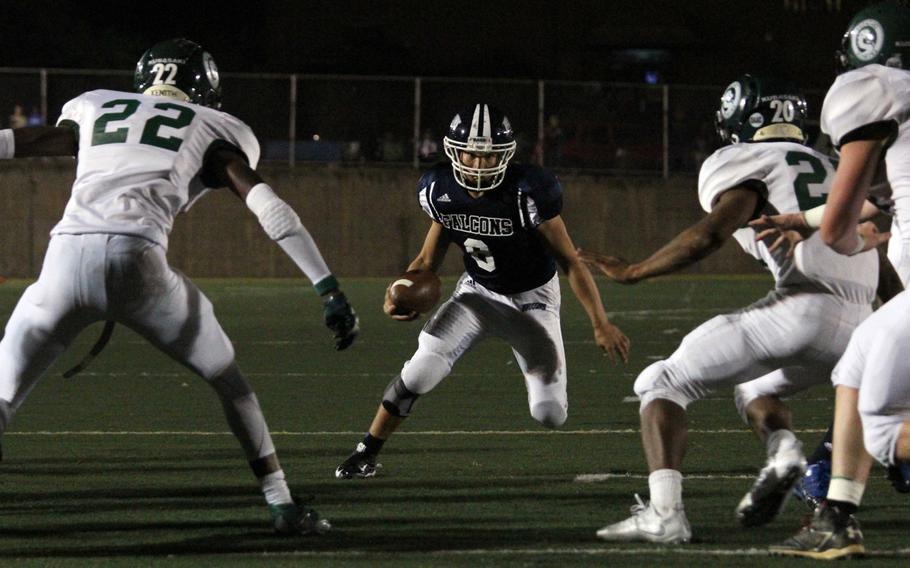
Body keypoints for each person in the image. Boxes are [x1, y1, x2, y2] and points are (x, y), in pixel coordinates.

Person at [0, 38, 359, 535]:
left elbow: (25, 142)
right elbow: (267, 205)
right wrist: (328, 288)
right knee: (229, 382)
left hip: (64, 259)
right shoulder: (215, 128)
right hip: (138, 262)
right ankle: (281, 504)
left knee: (3, 392)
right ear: (206, 89)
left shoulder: (97, 107)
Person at [581, 75, 881, 544]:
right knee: (753, 388)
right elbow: (881, 262)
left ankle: (665, 515)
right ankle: (784, 454)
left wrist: (634, 271)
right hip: (862, 323)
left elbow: (710, 234)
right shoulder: (833, 163)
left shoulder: (748, 160)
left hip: (803, 306)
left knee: (661, 382)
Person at [334, 103, 630, 479]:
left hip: (532, 301)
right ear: (454, 151)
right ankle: (366, 452)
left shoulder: (528, 191)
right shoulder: (439, 190)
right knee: (420, 372)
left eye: (489, 155)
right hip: (477, 295)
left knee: (549, 412)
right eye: (472, 153)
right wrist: (399, 292)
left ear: (505, 155)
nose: (478, 164)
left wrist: (600, 323)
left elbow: (570, 262)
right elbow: (426, 261)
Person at [751, 2, 910, 559]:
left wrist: (841, 238)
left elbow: (845, 225)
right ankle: (837, 517)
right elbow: (881, 202)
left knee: (887, 430)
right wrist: (806, 218)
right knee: (856, 367)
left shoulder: (874, 89)